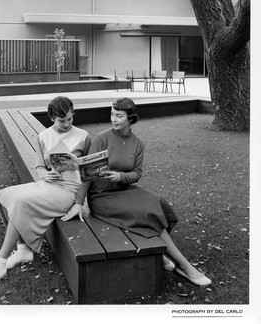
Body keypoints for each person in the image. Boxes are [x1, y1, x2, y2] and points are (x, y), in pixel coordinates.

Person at [62, 97, 212, 287]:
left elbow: (137, 174)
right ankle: (184, 266)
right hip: (102, 197)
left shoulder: (138, 143)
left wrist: (121, 177)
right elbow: (87, 174)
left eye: (119, 115)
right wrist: (78, 203)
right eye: (112, 114)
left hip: (126, 190)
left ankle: (160, 253)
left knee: (158, 202)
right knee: (147, 213)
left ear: (130, 118)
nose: (114, 119)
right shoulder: (102, 138)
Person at [0, 96, 91, 289]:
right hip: (48, 185)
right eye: (61, 120)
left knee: (21, 203)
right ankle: (22, 249)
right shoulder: (43, 136)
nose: (67, 124)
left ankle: (0, 263)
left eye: (70, 119)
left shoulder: (83, 136)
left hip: (69, 191)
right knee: (8, 195)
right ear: (52, 117)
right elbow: (39, 167)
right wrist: (45, 175)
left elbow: (87, 174)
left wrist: (80, 202)